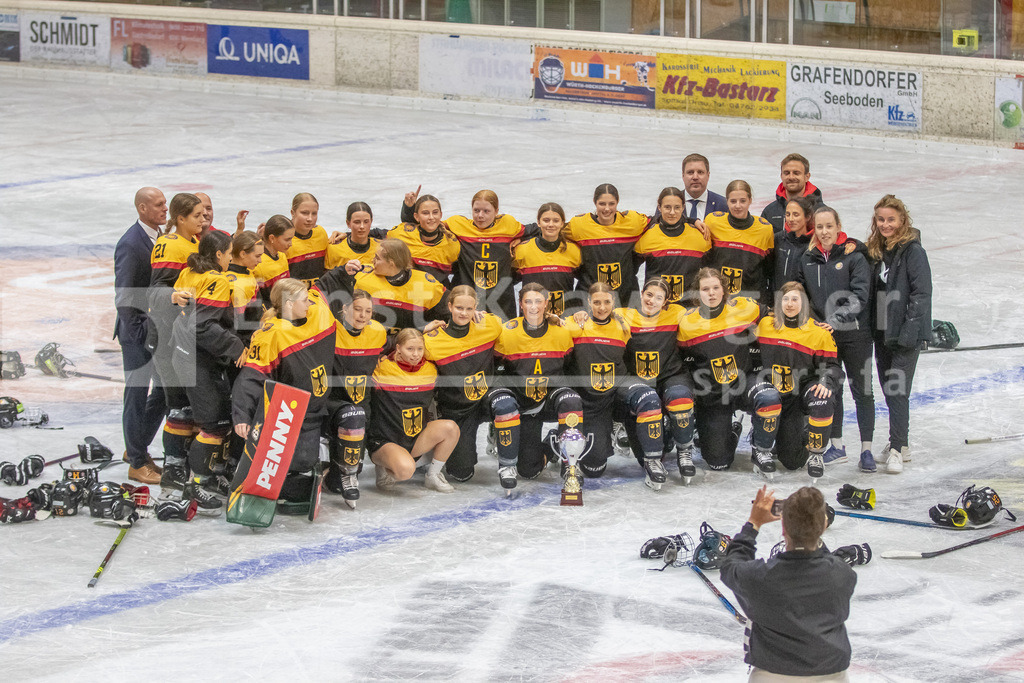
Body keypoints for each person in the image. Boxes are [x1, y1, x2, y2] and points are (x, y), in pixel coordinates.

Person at [720, 486, 857, 681]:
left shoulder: (759, 577)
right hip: (831, 674)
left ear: (783, 528)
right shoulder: (843, 575)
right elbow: (823, 562)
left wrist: (754, 523)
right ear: (824, 526)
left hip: (771, 675)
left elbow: (731, 566)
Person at [232, 278, 337, 505]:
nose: (309, 303)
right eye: (304, 300)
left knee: (304, 465)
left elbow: (327, 285)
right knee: (294, 469)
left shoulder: (316, 313)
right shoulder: (272, 334)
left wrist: (346, 272)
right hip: (288, 417)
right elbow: (251, 377)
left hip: (316, 411)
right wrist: (241, 415)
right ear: (289, 304)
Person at [169, 230, 247, 511]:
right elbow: (201, 325)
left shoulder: (190, 271)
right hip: (195, 356)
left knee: (208, 417)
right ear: (218, 255)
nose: (229, 259)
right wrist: (236, 346)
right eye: (228, 254)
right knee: (213, 422)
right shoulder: (216, 279)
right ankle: (197, 484)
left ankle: (206, 475)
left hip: (182, 352)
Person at [677, 268, 781, 477]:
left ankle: (761, 450)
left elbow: (775, 315)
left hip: (745, 382)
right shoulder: (687, 323)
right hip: (714, 394)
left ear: (724, 291)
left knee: (769, 397)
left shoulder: (744, 308)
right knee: (718, 462)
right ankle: (731, 431)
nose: (711, 293)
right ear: (698, 294)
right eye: (705, 289)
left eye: (716, 288)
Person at [564, 283, 667, 488]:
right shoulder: (574, 325)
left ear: (614, 302)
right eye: (597, 302)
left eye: (607, 302)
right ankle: (562, 439)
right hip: (592, 399)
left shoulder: (623, 325)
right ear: (588, 302)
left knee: (648, 397)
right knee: (594, 469)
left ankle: (652, 460)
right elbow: (553, 325)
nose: (602, 307)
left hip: (619, 386)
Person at [797, 207, 874, 472]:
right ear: (813, 229)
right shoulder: (808, 258)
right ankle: (837, 446)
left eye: (829, 226)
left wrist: (835, 319)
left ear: (838, 226)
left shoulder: (854, 256)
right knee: (832, 390)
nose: (824, 232)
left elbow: (860, 296)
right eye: (819, 227)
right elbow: (801, 294)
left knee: (862, 391)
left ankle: (867, 449)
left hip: (856, 334)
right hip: (825, 337)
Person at [423, 286, 522, 490]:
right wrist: (418, 332)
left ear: (476, 308)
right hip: (458, 409)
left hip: (487, 398)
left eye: (469, 309)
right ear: (449, 306)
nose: (464, 313)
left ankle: (507, 465)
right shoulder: (431, 341)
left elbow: (520, 333)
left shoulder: (490, 325)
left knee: (505, 404)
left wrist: (554, 320)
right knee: (461, 474)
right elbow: (402, 352)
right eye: (459, 307)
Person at [867, 194, 932, 474]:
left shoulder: (913, 252)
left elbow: (921, 293)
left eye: (891, 219)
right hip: (882, 331)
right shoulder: (877, 249)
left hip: (905, 333)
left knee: (897, 390)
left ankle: (897, 448)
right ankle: (900, 443)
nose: (885, 224)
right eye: (881, 219)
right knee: (888, 388)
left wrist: (910, 330)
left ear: (902, 220)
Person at [494, 283, 584, 483]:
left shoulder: (562, 331)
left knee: (571, 400)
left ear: (546, 304)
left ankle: (569, 464)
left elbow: (568, 364)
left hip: (551, 398)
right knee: (528, 471)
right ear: (520, 304)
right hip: (524, 404)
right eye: (528, 302)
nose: (533, 307)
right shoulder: (507, 333)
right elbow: (497, 366)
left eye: (538, 301)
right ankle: (550, 444)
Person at [614, 277, 697, 484]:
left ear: (666, 301)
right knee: (646, 452)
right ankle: (652, 459)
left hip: (671, 375)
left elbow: (708, 314)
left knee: (680, 398)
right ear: (641, 294)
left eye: (658, 297)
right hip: (638, 382)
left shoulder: (677, 313)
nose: (652, 300)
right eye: (649, 295)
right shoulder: (623, 316)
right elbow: (595, 320)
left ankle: (685, 452)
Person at [756, 282, 841, 480]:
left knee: (823, 399)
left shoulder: (819, 332)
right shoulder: (766, 325)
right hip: (775, 397)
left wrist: (827, 382)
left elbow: (833, 367)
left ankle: (816, 452)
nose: (790, 304)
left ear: (804, 303)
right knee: (789, 458)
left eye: (795, 299)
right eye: (785, 299)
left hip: (800, 395)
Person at [149, 192, 204, 493]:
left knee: (191, 405)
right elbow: (155, 289)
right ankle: (172, 468)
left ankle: (185, 463)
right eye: (196, 215)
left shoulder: (195, 242)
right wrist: (171, 297)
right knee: (178, 406)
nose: (202, 219)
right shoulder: (169, 244)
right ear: (180, 218)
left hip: (186, 336)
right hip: (168, 337)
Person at [114, 186, 167, 485]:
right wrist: (137, 334)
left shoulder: (161, 238)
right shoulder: (131, 244)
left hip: (156, 332)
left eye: (165, 204)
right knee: (135, 395)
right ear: (142, 208)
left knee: (162, 392)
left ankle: (136, 446)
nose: (165, 210)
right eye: (159, 205)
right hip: (137, 333)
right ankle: (136, 462)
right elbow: (124, 295)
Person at [368, 328, 459, 493]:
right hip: (385, 440)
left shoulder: (431, 370)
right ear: (398, 348)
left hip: (414, 438)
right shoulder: (382, 368)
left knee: (451, 428)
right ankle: (384, 464)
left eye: (419, 349)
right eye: (410, 349)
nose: (415, 354)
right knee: (405, 471)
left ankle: (433, 476)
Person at [324, 289, 387, 506]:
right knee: (353, 414)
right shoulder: (329, 329)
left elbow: (392, 346)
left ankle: (341, 474)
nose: (362, 315)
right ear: (344, 309)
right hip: (332, 401)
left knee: (336, 484)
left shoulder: (378, 332)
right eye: (357, 309)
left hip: (362, 401)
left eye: (368, 311)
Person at [431, 189, 524, 319]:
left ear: (496, 211)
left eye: (486, 211)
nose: (480, 215)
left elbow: (537, 230)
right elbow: (428, 225)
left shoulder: (508, 224)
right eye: (476, 210)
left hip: (501, 302)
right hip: (466, 301)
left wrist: (521, 239)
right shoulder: (458, 224)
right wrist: (409, 208)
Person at [336, 239, 447, 335]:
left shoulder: (427, 285)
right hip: (370, 342)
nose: (372, 261)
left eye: (377, 258)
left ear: (391, 263)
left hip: (411, 347)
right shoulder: (360, 276)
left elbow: (454, 309)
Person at [565, 183, 649, 308]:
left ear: (617, 202)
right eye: (602, 204)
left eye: (611, 204)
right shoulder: (579, 226)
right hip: (589, 300)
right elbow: (553, 231)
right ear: (595, 202)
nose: (607, 209)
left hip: (626, 299)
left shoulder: (633, 222)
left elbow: (658, 222)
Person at [634, 186, 712, 306]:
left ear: (683, 208)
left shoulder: (699, 237)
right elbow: (629, 270)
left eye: (677, 207)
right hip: (656, 308)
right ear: (659, 207)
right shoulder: (647, 236)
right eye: (667, 207)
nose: (672, 212)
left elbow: (712, 271)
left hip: (689, 310)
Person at [704, 180, 775, 305]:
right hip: (718, 302)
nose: (738, 206)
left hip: (751, 302)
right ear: (726, 201)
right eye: (733, 201)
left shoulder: (764, 229)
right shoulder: (713, 222)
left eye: (743, 201)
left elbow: (769, 269)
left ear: (750, 200)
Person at [512, 203, 582, 317]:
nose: (551, 224)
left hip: (564, 321)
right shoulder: (522, 250)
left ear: (562, 223)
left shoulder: (574, 250)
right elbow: (507, 281)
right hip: (531, 319)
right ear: (538, 222)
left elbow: (586, 281)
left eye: (555, 221)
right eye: (546, 220)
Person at [389, 193, 460, 285]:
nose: (431, 217)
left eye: (435, 212)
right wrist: (407, 208)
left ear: (441, 215)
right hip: (409, 292)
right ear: (416, 217)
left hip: (438, 293)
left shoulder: (451, 243)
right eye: (425, 213)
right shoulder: (401, 234)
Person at [760, 153, 824, 231]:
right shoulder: (770, 212)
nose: (791, 177)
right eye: (787, 173)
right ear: (781, 176)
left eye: (796, 173)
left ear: (807, 177)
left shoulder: (821, 212)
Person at [224, 231, 265, 348]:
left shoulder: (245, 272)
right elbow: (237, 326)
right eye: (257, 256)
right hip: (246, 341)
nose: (260, 260)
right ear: (243, 254)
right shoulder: (238, 285)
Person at [286, 192, 331, 288]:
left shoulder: (321, 233)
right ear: (292, 213)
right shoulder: (283, 239)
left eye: (314, 213)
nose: (310, 218)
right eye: (304, 213)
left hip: (317, 297)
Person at [773, 196, 815, 290]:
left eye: (796, 214)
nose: (791, 219)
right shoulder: (778, 239)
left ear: (807, 217)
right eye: (788, 214)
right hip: (778, 300)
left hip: (802, 301)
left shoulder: (814, 244)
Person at [252, 215, 294, 308]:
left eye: (292, 238)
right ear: (272, 238)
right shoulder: (258, 264)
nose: (291, 244)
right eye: (287, 239)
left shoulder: (282, 256)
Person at [326, 202, 379, 270]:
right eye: (357, 222)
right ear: (348, 223)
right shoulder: (334, 249)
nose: (362, 226)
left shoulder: (381, 249)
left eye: (366, 222)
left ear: (371, 221)